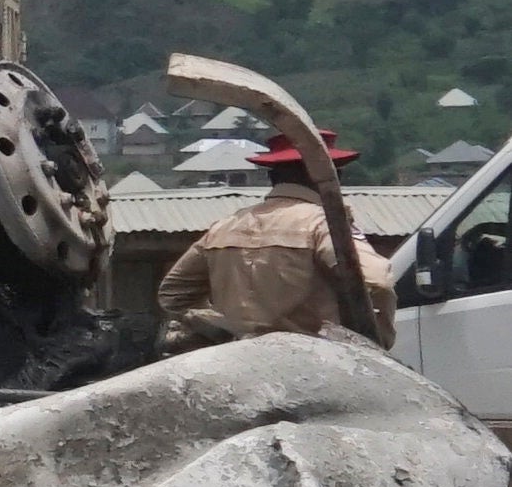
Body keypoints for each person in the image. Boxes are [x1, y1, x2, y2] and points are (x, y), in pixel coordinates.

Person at [160, 133, 396, 350]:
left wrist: (221, 326)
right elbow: (377, 282)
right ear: (332, 177)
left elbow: (173, 294)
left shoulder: (225, 226)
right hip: (311, 360)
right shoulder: (323, 225)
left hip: (236, 359)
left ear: (272, 176)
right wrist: (376, 341)